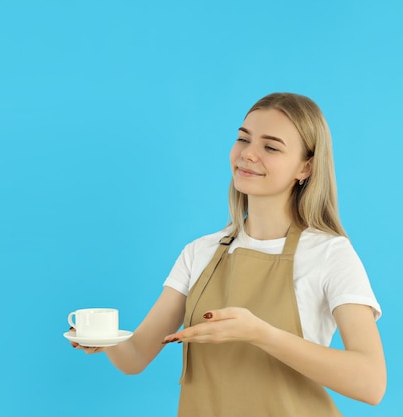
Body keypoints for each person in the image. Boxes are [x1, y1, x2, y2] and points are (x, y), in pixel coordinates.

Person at [68, 92, 386, 416]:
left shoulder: (329, 253)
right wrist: (106, 340)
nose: (248, 154)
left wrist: (260, 334)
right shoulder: (200, 252)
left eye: (271, 147)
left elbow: (371, 384)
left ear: (305, 167)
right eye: (243, 139)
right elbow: (136, 356)